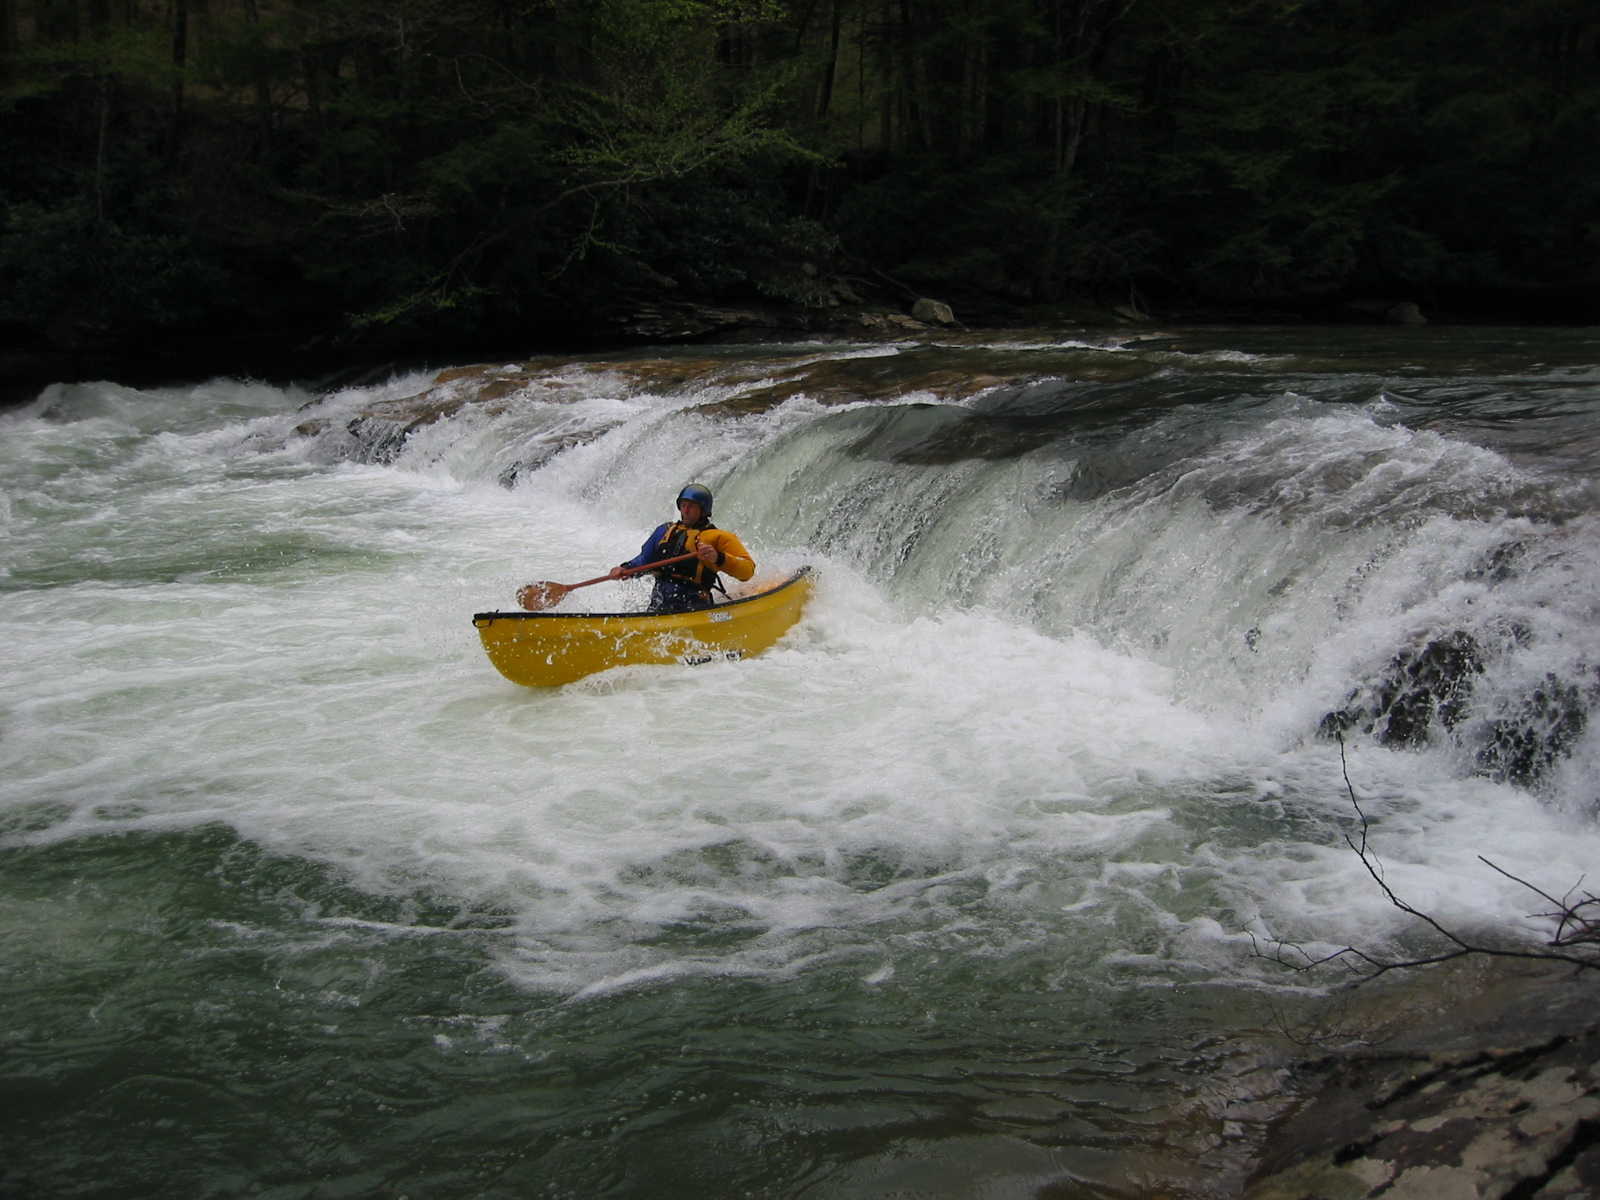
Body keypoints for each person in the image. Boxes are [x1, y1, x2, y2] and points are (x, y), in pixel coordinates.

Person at [609, 483, 756, 613]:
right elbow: (645, 559)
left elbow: (747, 570)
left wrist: (718, 557)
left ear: (703, 510)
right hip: (660, 603)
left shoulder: (719, 537)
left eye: (691, 506)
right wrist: (626, 569)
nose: (685, 510)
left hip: (695, 607)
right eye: (683, 505)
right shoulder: (664, 530)